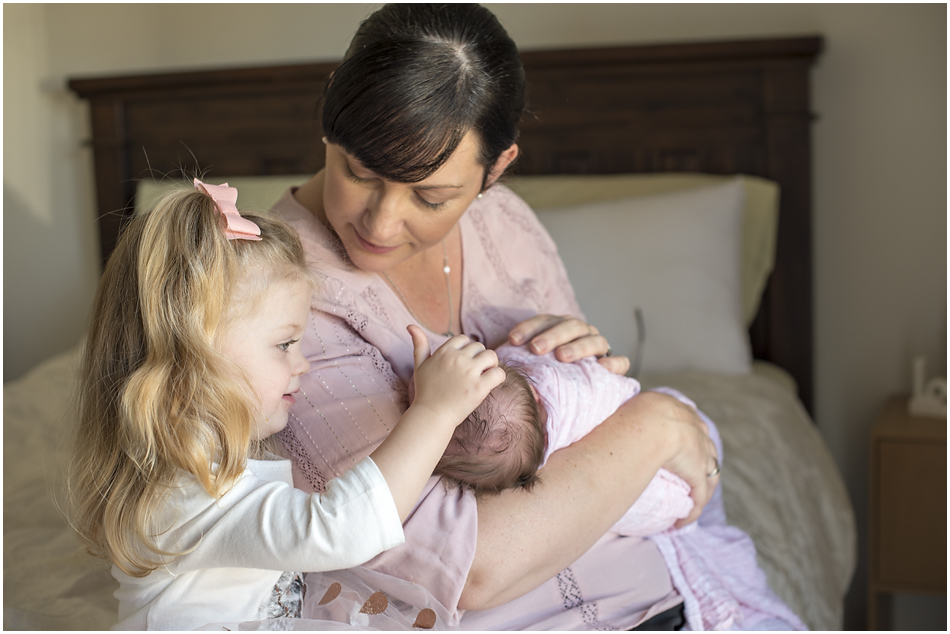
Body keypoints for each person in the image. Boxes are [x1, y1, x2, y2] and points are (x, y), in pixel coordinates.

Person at [273, 4, 722, 629]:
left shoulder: (506, 223)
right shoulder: (275, 289)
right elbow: (467, 565)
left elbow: (584, 441)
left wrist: (587, 384)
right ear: (331, 110)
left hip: (655, 594)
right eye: (359, 171)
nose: (380, 224)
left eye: (431, 198)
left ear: (498, 167)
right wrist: (653, 427)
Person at [66, 179, 504, 630]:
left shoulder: (202, 465)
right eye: (285, 344)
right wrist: (434, 413)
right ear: (191, 358)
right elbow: (343, 529)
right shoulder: (182, 493)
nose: (303, 365)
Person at [433, 344, 807, 631]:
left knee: (699, 462)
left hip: (677, 581)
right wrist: (655, 426)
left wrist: (588, 357)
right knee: (686, 492)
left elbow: (589, 367)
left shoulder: (525, 251)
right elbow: (471, 569)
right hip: (658, 587)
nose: (382, 235)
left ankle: (705, 524)